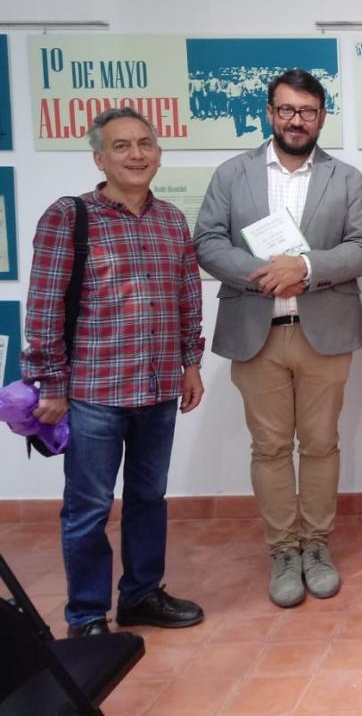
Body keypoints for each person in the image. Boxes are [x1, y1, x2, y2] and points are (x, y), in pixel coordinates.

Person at [194, 69, 362, 608]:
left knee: (321, 444)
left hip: (325, 331)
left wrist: (305, 267)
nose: (297, 120)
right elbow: (208, 241)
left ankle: (316, 545)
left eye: (308, 111)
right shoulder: (233, 174)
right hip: (256, 331)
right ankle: (283, 550)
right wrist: (265, 274)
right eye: (287, 110)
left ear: (322, 117)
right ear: (270, 112)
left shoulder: (346, 179)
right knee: (270, 448)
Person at [23, 107, 205, 637]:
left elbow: (187, 296)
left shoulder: (171, 219)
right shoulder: (69, 216)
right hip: (93, 392)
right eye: (121, 146)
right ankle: (86, 616)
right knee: (89, 508)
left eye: (145, 144)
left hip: (157, 388)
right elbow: (44, 306)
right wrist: (51, 385)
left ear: (159, 154)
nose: (136, 154)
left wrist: (191, 363)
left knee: (149, 498)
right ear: (100, 158)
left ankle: (141, 595)